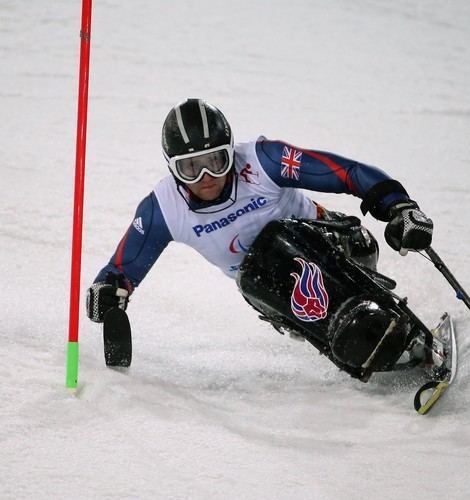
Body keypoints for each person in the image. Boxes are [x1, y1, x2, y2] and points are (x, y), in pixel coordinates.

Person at [86, 98, 436, 379]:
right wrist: (107, 293)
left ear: (231, 151)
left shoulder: (263, 160)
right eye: (191, 168)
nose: (207, 176)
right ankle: (361, 345)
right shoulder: (163, 208)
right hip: (272, 286)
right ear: (172, 169)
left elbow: (346, 173)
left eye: (217, 160)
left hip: (337, 244)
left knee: (285, 238)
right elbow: (121, 270)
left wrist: (399, 207)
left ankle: (399, 325)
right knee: (268, 261)